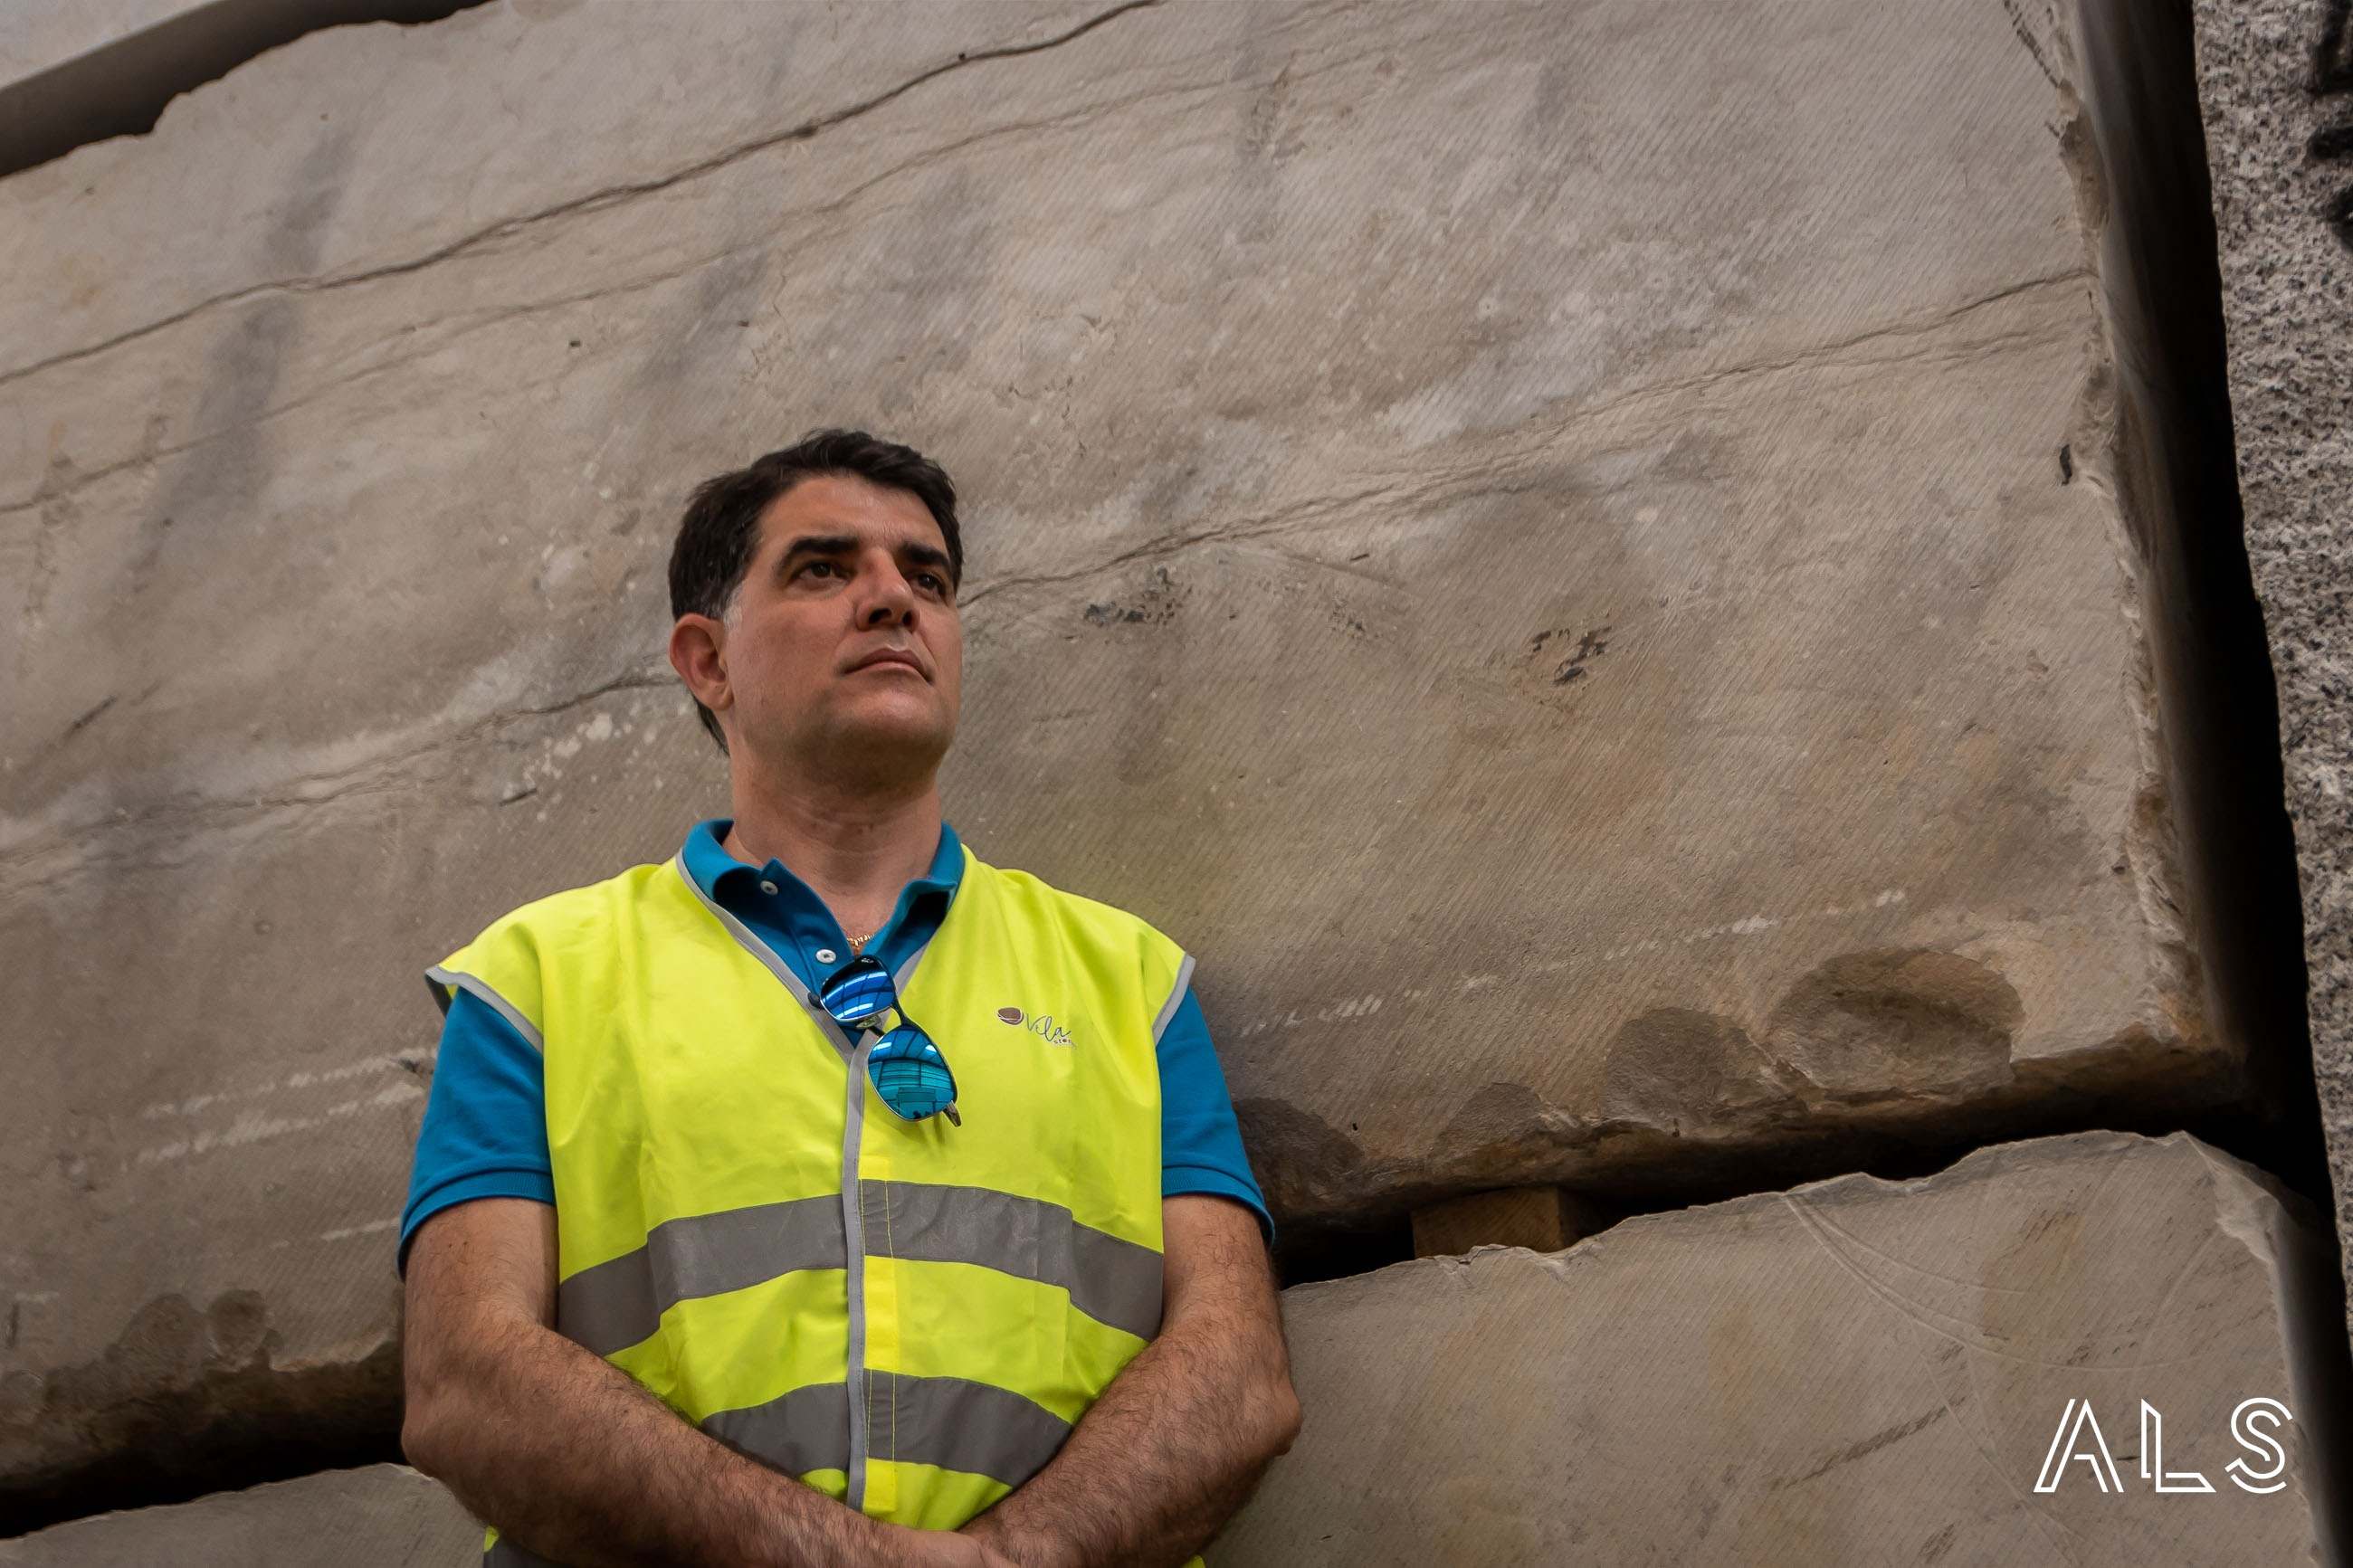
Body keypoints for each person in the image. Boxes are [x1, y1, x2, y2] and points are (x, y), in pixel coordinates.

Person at [395, 429, 1301, 1567]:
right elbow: (464, 1382)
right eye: (824, 568)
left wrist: (1017, 1557)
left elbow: (1237, 1373)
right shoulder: (535, 980)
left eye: (928, 578)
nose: (892, 598)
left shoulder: (1131, 979)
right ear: (708, 661)